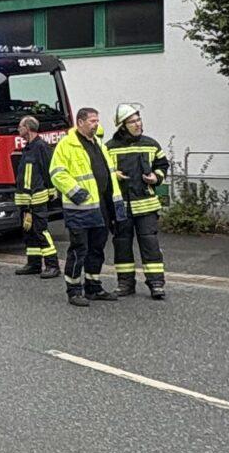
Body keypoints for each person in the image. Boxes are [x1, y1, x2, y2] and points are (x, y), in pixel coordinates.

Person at [47, 103, 120, 307]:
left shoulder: (99, 144)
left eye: (97, 121)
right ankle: (74, 290)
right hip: (79, 208)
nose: (96, 124)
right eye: (92, 121)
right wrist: (77, 193)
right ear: (80, 122)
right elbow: (57, 173)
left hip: (100, 207)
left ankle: (93, 287)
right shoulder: (67, 145)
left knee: (97, 249)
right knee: (79, 249)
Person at [107, 105, 168, 300]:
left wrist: (156, 177)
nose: (138, 124)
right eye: (132, 122)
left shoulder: (151, 144)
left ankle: (156, 284)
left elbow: (162, 165)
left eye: (138, 120)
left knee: (150, 244)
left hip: (146, 205)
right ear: (122, 126)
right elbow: (102, 171)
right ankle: (125, 283)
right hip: (121, 206)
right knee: (122, 245)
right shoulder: (109, 147)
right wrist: (113, 174)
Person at [11, 115, 59, 277]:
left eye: (20, 126)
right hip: (26, 200)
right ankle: (34, 263)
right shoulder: (28, 148)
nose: (18, 129)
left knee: (40, 231)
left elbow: (48, 170)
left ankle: (52, 265)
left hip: (37, 199)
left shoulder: (41, 147)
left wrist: (52, 191)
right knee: (29, 232)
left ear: (28, 128)